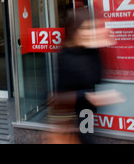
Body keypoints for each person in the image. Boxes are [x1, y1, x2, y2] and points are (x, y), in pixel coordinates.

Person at [48, 8, 124, 144]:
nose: (89, 32)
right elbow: (58, 97)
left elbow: (97, 79)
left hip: (86, 113)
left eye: (91, 27)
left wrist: (106, 46)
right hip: (69, 119)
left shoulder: (93, 52)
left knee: (87, 138)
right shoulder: (66, 57)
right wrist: (90, 96)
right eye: (85, 28)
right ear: (74, 30)